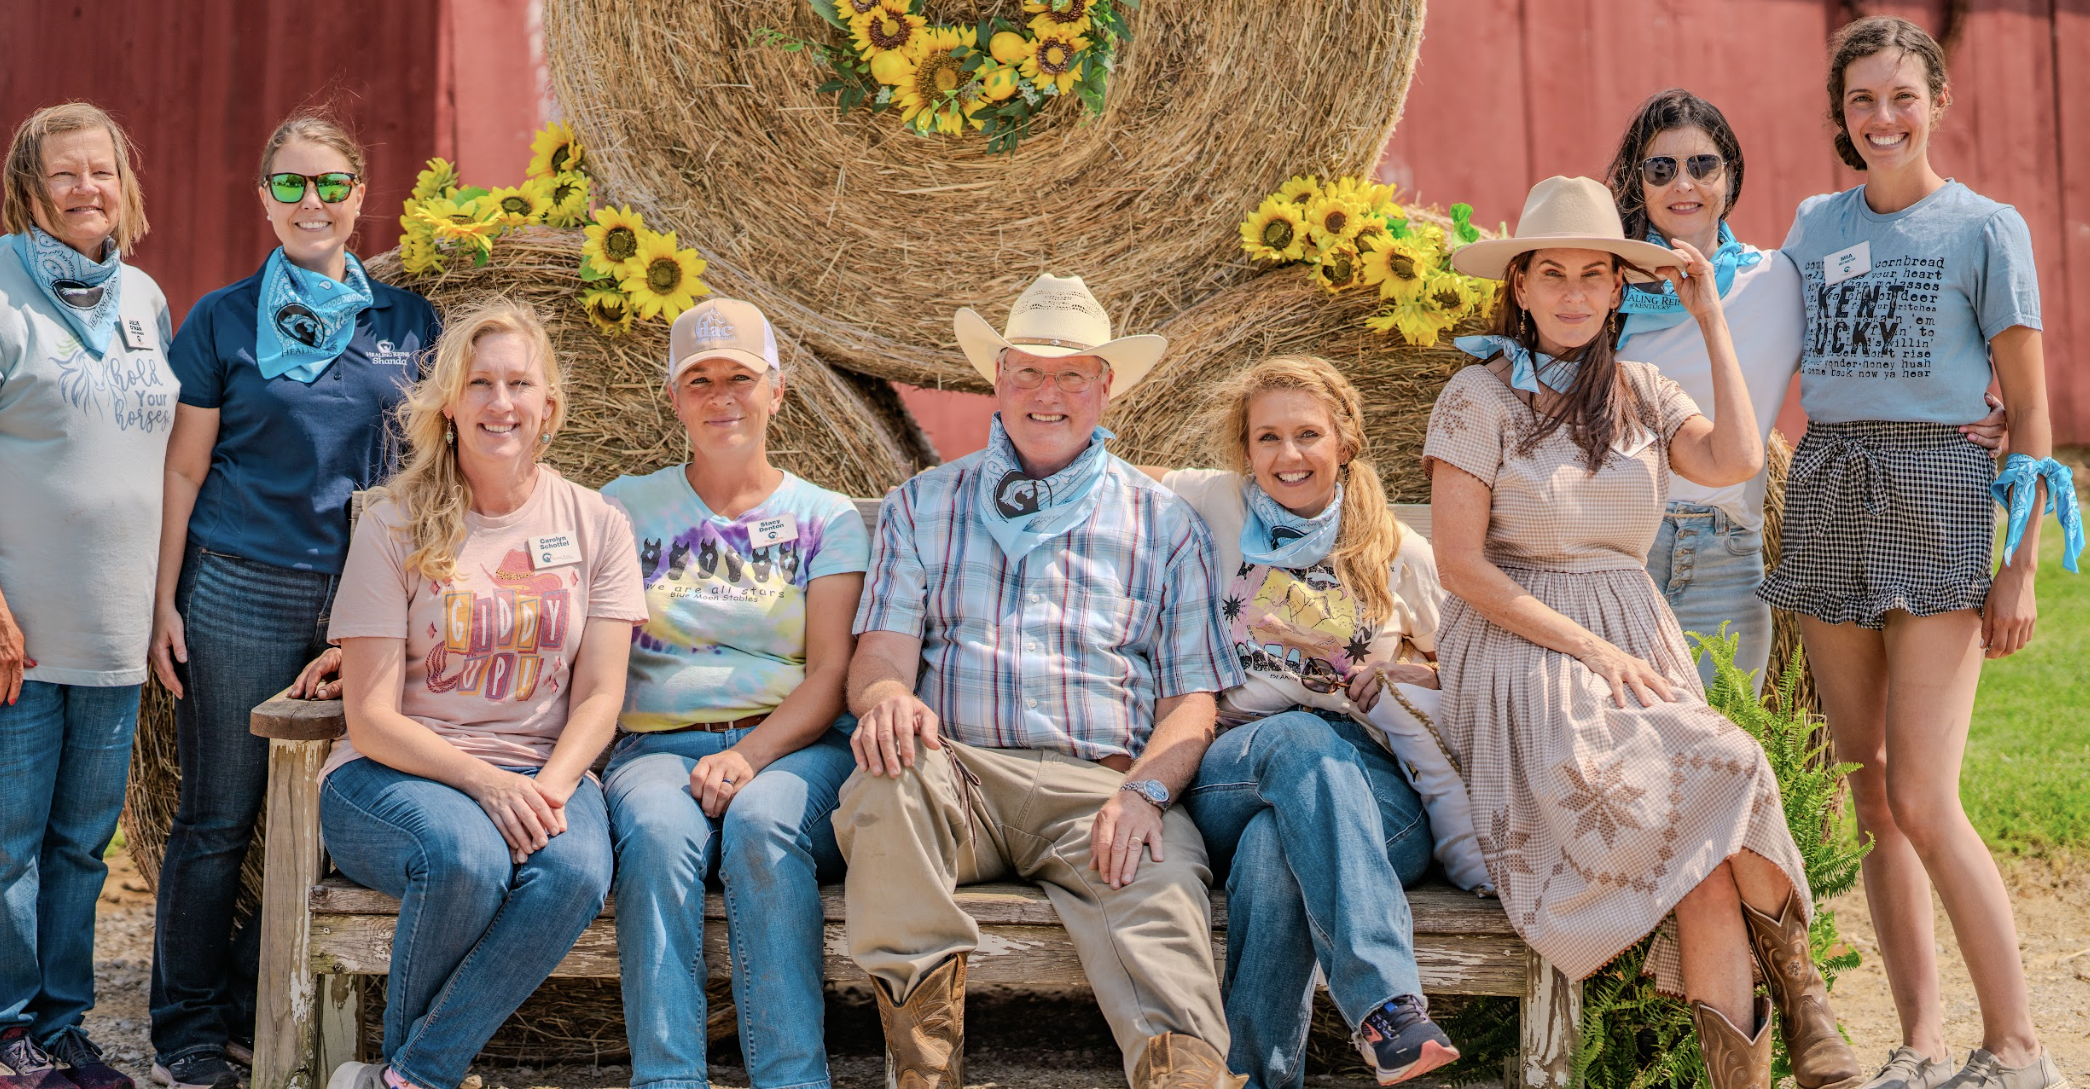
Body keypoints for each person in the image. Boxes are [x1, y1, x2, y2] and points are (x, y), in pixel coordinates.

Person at [1423, 176, 1859, 1089]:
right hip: (1524, 649)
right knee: (1731, 767)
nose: (1574, 292)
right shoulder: (1478, 396)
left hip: (1634, 636)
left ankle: (1774, 1050)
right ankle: (1806, 993)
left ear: (1621, 287)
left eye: (1594, 273)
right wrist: (1588, 649)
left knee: (1704, 865)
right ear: (1523, 288)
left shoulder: (1644, 390)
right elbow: (1461, 567)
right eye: (1553, 274)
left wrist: (1712, 323)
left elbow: (1737, 460)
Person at [1759, 17, 2075, 1089]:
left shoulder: (1986, 229)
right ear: (1838, 116)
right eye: (1861, 101)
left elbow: (2029, 413)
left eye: (1901, 96)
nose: (1882, 117)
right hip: (1830, 484)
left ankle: (2018, 1045)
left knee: (1927, 798)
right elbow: (1751, 325)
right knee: (1867, 791)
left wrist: (2020, 562)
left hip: (1940, 497)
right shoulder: (1812, 224)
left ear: (1935, 101)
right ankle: (1920, 1041)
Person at [836, 273, 1246, 1089]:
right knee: (886, 783)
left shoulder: (1163, 522)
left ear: (1105, 386)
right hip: (961, 779)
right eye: (1028, 371)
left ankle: (1185, 1076)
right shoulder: (923, 504)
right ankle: (923, 1070)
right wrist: (885, 697)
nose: (1047, 393)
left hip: (1101, 789)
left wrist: (1148, 792)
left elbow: (1192, 699)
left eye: (1070, 374)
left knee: (1159, 890)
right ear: (999, 380)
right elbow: (880, 654)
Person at [145, 109, 440, 1089]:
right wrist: (165, 603)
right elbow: (182, 474)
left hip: (363, 597)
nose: (309, 201)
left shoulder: (409, 324)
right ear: (263, 197)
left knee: (337, 813)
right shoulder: (222, 321)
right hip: (242, 587)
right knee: (220, 816)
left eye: (329, 183)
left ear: (360, 196)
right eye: (289, 184)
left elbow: (431, 470)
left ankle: (255, 999)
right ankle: (188, 1028)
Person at [0, 103, 177, 1089]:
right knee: (2, 850)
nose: (87, 190)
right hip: (0, 640)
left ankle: (60, 1028)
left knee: (78, 849)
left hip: (106, 635)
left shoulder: (145, 299)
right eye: (64, 175)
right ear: (27, 188)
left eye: (102, 171)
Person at [315, 300, 644, 1089]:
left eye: (519, 384)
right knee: (463, 857)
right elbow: (372, 717)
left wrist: (549, 788)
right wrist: (487, 785)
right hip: (397, 773)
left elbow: (600, 694)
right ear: (451, 404)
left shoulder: (597, 523)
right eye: (481, 383)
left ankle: (406, 1077)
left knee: (573, 873)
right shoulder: (394, 522)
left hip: (542, 768)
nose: (502, 403)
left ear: (549, 406)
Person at [1602, 90, 2007, 693]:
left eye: (1702, 165)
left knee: (1719, 753)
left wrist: (1974, 405)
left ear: (1731, 174)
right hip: (1618, 545)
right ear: (1640, 184)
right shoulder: (1603, 288)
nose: (1682, 183)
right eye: (1661, 168)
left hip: (1726, 552)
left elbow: (1866, 351)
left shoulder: (1780, 280)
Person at [1143, 357, 1458, 1089]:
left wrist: (1409, 676)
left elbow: (1469, 674)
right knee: (1298, 739)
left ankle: (1249, 1077)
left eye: (1308, 434)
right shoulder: (1216, 505)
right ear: (1245, 450)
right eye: (1268, 438)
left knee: (1272, 852)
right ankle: (1388, 1009)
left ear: (1345, 440)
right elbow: (1105, 468)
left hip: (1375, 803)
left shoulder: (1399, 557)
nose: (1289, 456)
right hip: (1231, 767)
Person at [598, 299, 868, 1089]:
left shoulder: (826, 518)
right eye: (701, 381)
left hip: (793, 746)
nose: (723, 397)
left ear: (776, 391)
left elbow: (829, 674)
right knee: (652, 829)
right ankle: (668, 1079)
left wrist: (750, 756)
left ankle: (792, 1080)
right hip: (658, 745)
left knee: (761, 823)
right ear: (675, 398)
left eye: (741, 379)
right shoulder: (623, 506)